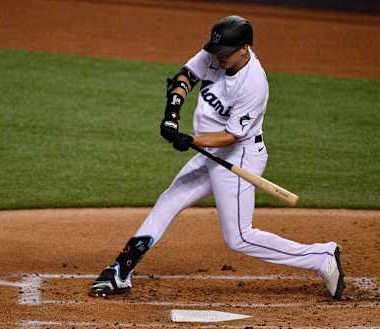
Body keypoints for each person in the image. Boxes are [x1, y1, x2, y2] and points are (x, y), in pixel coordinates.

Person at [89, 15, 345, 299]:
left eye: (225, 54)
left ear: (244, 48)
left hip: (238, 156)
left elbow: (231, 136)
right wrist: (171, 115)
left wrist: (191, 140)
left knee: (239, 237)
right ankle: (121, 270)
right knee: (170, 199)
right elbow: (186, 76)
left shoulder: (254, 84)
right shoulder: (215, 55)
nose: (218, 58)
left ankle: (320, 256)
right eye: (216, 51)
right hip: (210, 152)